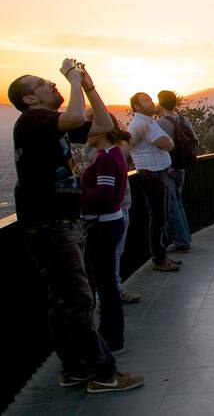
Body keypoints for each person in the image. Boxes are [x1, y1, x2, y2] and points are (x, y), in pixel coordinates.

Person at [8, 59, 144, 393]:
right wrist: (69, 78)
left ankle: (74, 369)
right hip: (50, 225)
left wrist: (88, 87)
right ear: (29, 98)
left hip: (57, 224)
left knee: (64, 301)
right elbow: (74, 116)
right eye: (42, 82)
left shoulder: (47, 123)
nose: (50, 84)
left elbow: (101, 123)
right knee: (80, 301)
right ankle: (102, 373)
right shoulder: (32, 120)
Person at [80, 114, 130, 355]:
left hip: (103, 224)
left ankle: (111, 337)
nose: (84, 136)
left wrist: (76, 198)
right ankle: (112, 335)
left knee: (104, 282)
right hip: (110, 222)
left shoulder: (106, 159)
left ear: (99, 132)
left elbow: (104, 194)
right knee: (106, 281)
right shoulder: (114, 154)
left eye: (87, 131)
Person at [128, 92, 180, 272]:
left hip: (158, 174)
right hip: (152, 175)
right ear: (137, 106)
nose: (151, 103)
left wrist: (169, 142)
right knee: (158, 217)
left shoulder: (149, 122)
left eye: (151, 99)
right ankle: (158, 259)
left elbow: (168, 142)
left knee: (162, 216)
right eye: (146, 101)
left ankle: (162, 255)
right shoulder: (141, 123)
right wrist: (169, 142)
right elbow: (166, 144)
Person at [156, 90, 195, 254]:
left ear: (160, 103)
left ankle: (181, 240)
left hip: (169, 168)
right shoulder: (183, 119)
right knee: (178, 203)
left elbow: (158, 145)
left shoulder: (160, 123)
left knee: (172, 206)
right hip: (182, 168)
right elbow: (195, 139)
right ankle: (185, 235)